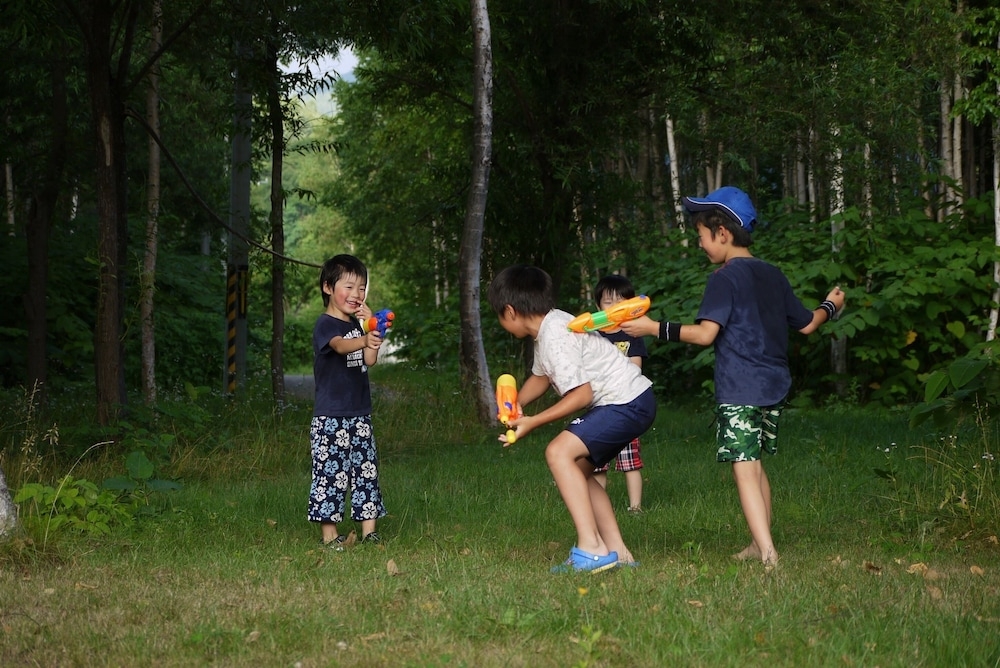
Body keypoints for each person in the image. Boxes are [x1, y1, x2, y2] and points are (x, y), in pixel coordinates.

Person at [619, 186, 845, 567]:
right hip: (774, 385)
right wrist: (831, 306)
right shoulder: (773, 274)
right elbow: (807, 324)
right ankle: (760, 544)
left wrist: (653, 328)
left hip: (740, 385)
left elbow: (706, 334)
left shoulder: (724, 278)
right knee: (754, 463)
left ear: (722, 232)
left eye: (702, 237)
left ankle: (769, 554)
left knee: (744, 467)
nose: (701, 245)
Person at [487, 265, 657, 572]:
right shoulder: (550, 326)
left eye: (499, 315)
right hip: (632, 400)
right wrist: (517, 407)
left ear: (510, 311)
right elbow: (541, 377)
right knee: (578, 469)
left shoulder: (555, 336)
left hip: (625, 401)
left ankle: (591, 548)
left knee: (557, 452)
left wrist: (533, 422)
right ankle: (618, 553)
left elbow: (581, 395)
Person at [307, 254, 387, 550]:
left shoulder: (358, 326)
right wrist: (363, 339)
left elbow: (369, 360)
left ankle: (370, 532)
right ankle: (330, 536)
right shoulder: (325, 324)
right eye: (349, 287)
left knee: (366, 471)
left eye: (362, 288)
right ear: (328, 287)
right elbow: (341, 347)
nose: (357, 295)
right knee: (331, 474)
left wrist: (371, 331)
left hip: (360, 413)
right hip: (331, 417)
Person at [590, 274, 647, 513]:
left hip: (625, 407)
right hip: (599, 406)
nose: (614, 307)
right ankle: (598, 507)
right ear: (598, 306)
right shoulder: (592, 335)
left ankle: (635, 507)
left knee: (630, 462)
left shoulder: (632, 334)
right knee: (597, 463)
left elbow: (636, 367)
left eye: (621, 302)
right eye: (608, 302)